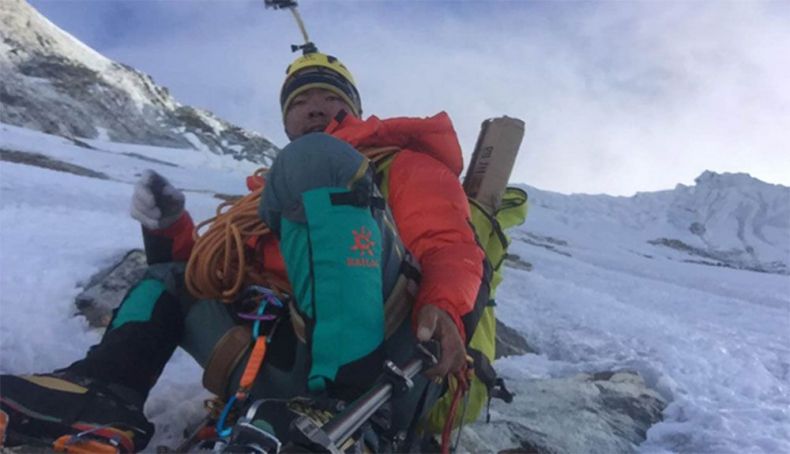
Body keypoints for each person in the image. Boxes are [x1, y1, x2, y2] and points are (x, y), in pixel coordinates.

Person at [0, 50, 486, 452]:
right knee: (169, 275)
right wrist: (169, 228)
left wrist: (444, 306)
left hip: (386, 369)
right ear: (286, 116)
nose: (316, 106)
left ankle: (350, 415)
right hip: (273, 365)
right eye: (302, 99)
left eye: (330, 96)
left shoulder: (397, 163)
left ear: (353, 108)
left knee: (315, 161)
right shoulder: (267, 194)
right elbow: (216, 277)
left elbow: (448, 243)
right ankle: (100, 396)